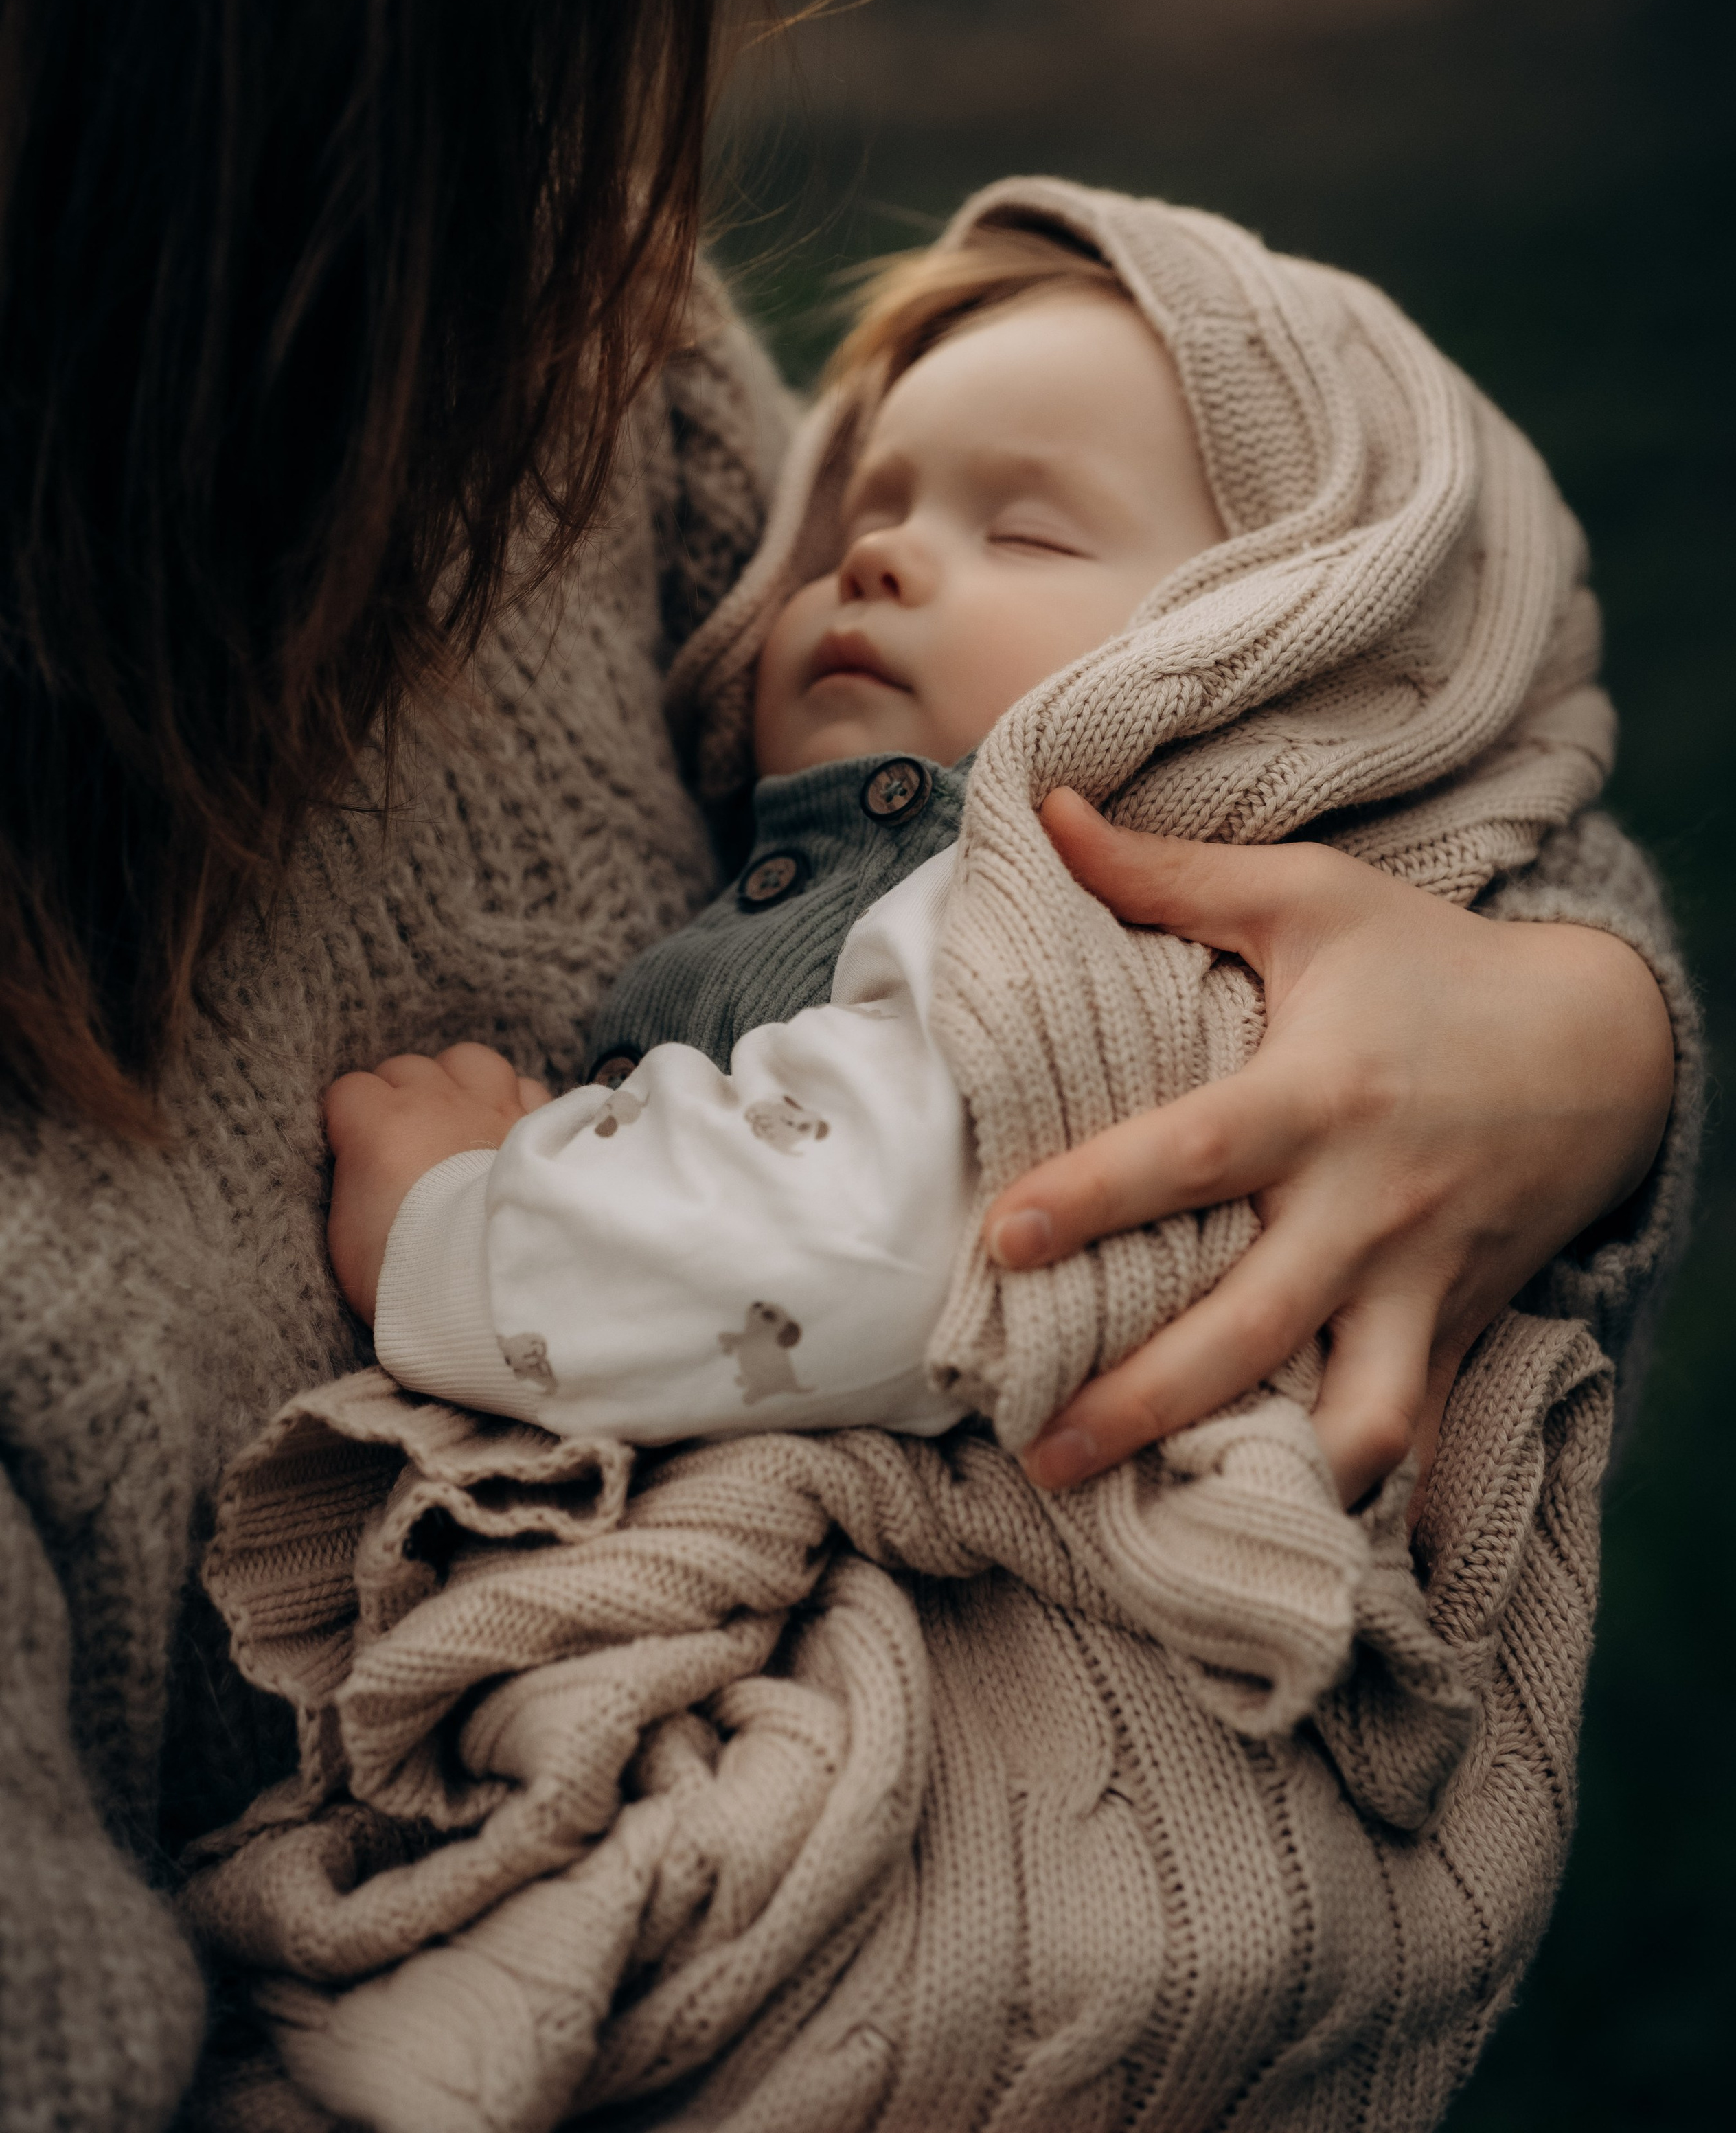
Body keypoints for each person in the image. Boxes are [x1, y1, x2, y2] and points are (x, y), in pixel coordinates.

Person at [0, 0, 1687, 2130]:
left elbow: (890, 1227)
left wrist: (1564, 1042)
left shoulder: (536, 373)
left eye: (1012, 530)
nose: (858, 544)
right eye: (882, 503)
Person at [318, 203, 1665, 1511]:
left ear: (1287, 658)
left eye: (1022, 532)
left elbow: (853, 1249)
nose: (879, 559)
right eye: (852, 527)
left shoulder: (1068, 924)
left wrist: (456, 1230)